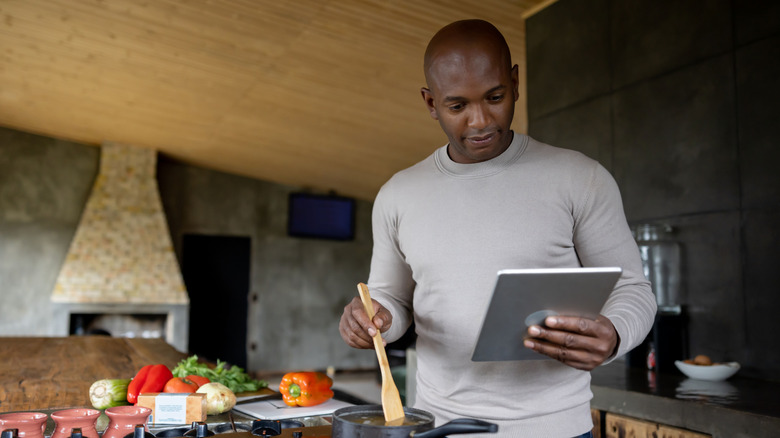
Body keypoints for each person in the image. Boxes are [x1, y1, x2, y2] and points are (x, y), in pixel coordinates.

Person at [339, 19, 656, 438]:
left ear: (515, 82)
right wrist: (372, 320)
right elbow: (392, 300)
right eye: (457, 106)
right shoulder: (399, 195)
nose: (480, 121)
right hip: (439, 427)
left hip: (558, 430)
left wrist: (614, 334)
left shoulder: (581, 177)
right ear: (430, 103)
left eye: (495, 97)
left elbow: (633, 289)